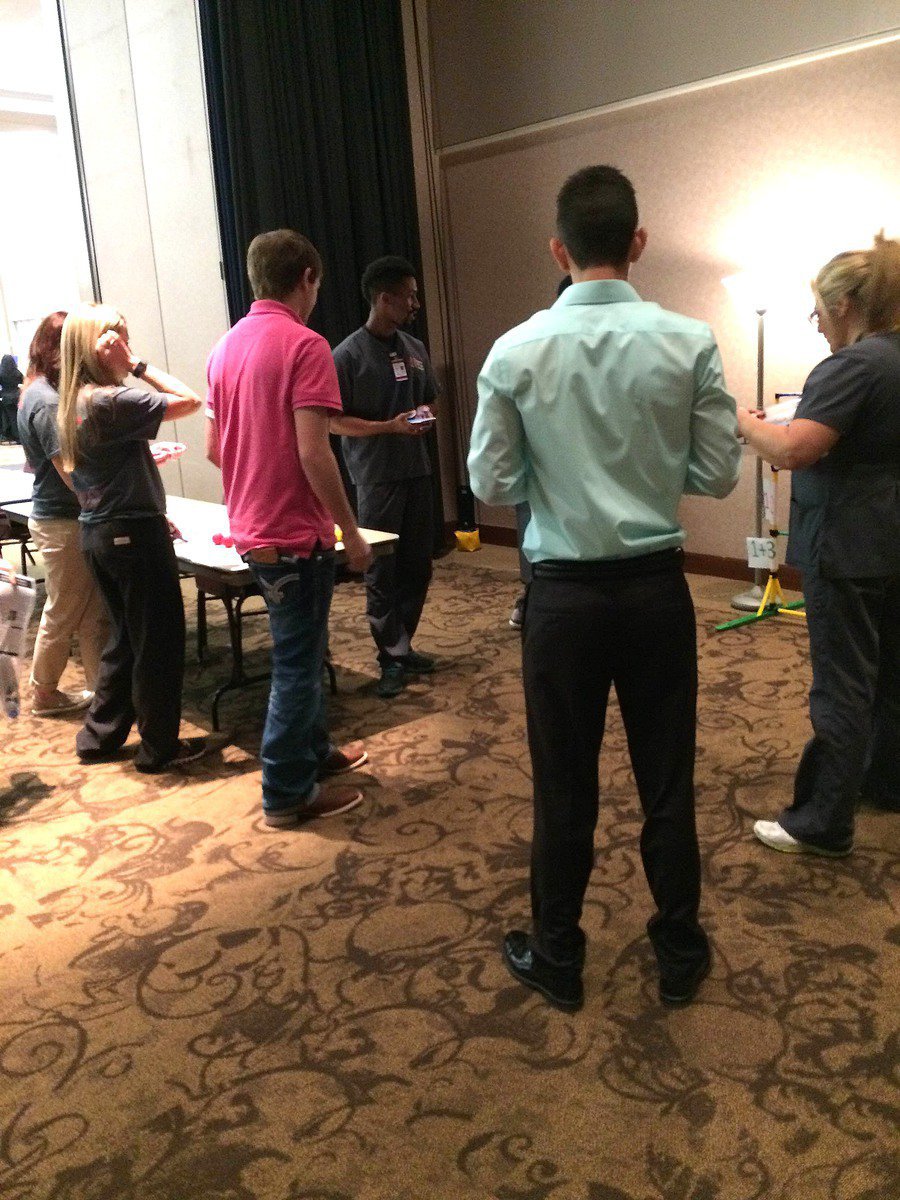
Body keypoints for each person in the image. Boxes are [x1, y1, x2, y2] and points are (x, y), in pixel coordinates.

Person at [468, 165, 741, 1012]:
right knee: (667, 778)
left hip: (563, 601)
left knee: (564, 782)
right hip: (659, 591)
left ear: (559, 248)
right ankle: (680, 948)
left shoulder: (514, 349)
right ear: (638, 243)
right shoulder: (689, 341)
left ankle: (558, 955)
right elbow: (719, 472)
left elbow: (490, 473)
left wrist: (559, 478)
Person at [737, 234, 900, 855]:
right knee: (891, 676)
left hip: (847, 546)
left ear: (846, 305)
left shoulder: (852, 365)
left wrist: (745, 423)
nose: (820, 326)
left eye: (819, 312)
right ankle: (885, 781)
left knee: (843, 684)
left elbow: (795, 448)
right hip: (890, 540)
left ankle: (822, 822)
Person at [206, 229, 373, 828]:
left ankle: (314, 754)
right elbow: (314, 452)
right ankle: (286, 794)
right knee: (298, 663)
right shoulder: (307, 346)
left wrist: (257, 484)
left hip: (253, 530)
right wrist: (350, 530)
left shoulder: (223, 349)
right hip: (295, 535)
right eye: (317, 284)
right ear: (307, 277)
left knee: (304, 646)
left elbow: (214, 450)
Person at [57, 302, 206, 772]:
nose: (124, 346)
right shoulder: (109, 399)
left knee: (127, 639)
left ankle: (99, 737)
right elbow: (191, 399)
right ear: (98, 346)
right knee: (158, 641)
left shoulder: (74, 400)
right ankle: (160, 747)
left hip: (101, 530)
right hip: (130, 533)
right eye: (116, 339)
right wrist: (137, 365)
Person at [331, 256, 438, 698]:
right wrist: (388, 427)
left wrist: (424, 417)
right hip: (375, 478)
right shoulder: (346, 356)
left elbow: (430, 400)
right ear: (384, 298)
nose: (415, 303)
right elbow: (332, 422)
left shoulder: (415, 348)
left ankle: (402, 644)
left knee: (418, 565)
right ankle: (389, 656)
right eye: (409, 296)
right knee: (382, 572)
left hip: (417, 472)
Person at [17, 311, 108, 716]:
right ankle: (44, 691)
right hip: (61, 519)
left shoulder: (35, 390)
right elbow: (68, 470)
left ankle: (99, 688)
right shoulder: (47, 399)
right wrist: (105, 497)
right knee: (66, 607)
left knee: (89, 609)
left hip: (63, 517)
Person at [0, 353, 24, 442]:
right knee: (17, 417)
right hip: (17, 396)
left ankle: (12, 435)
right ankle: (20, 436)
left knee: (10, 418)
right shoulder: (17, 373)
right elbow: (23, 381)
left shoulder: (1, 374)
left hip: (6, 397)